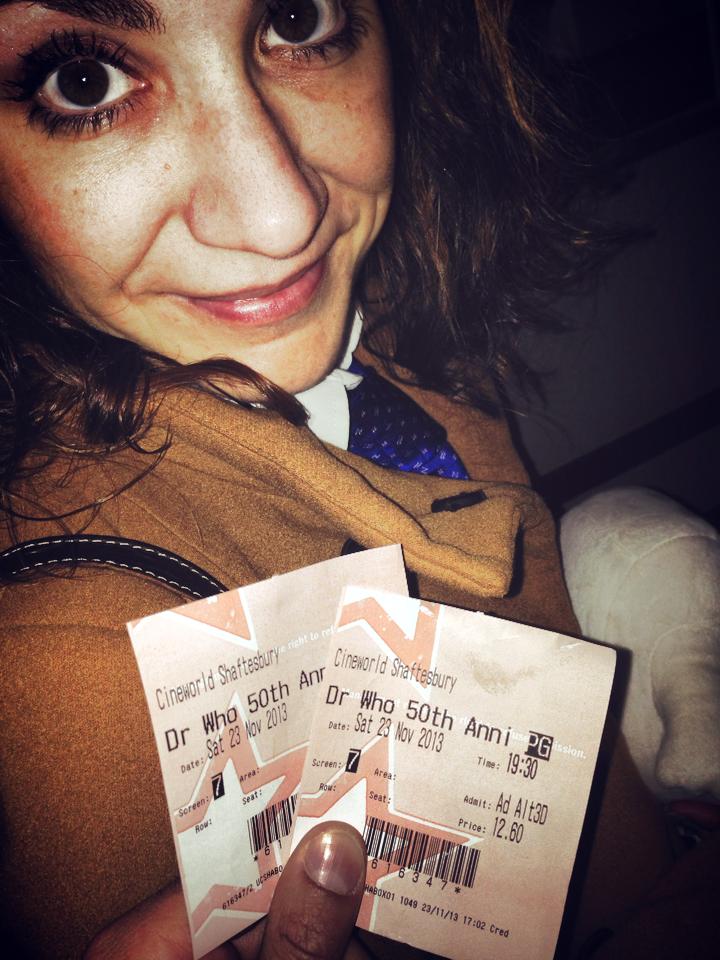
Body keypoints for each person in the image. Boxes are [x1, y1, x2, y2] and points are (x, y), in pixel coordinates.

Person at [0, 1, 700, 957]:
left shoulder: (383, 338)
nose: (282, 214)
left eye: (299, 20)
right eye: (84, 82)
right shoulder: (71, 677)